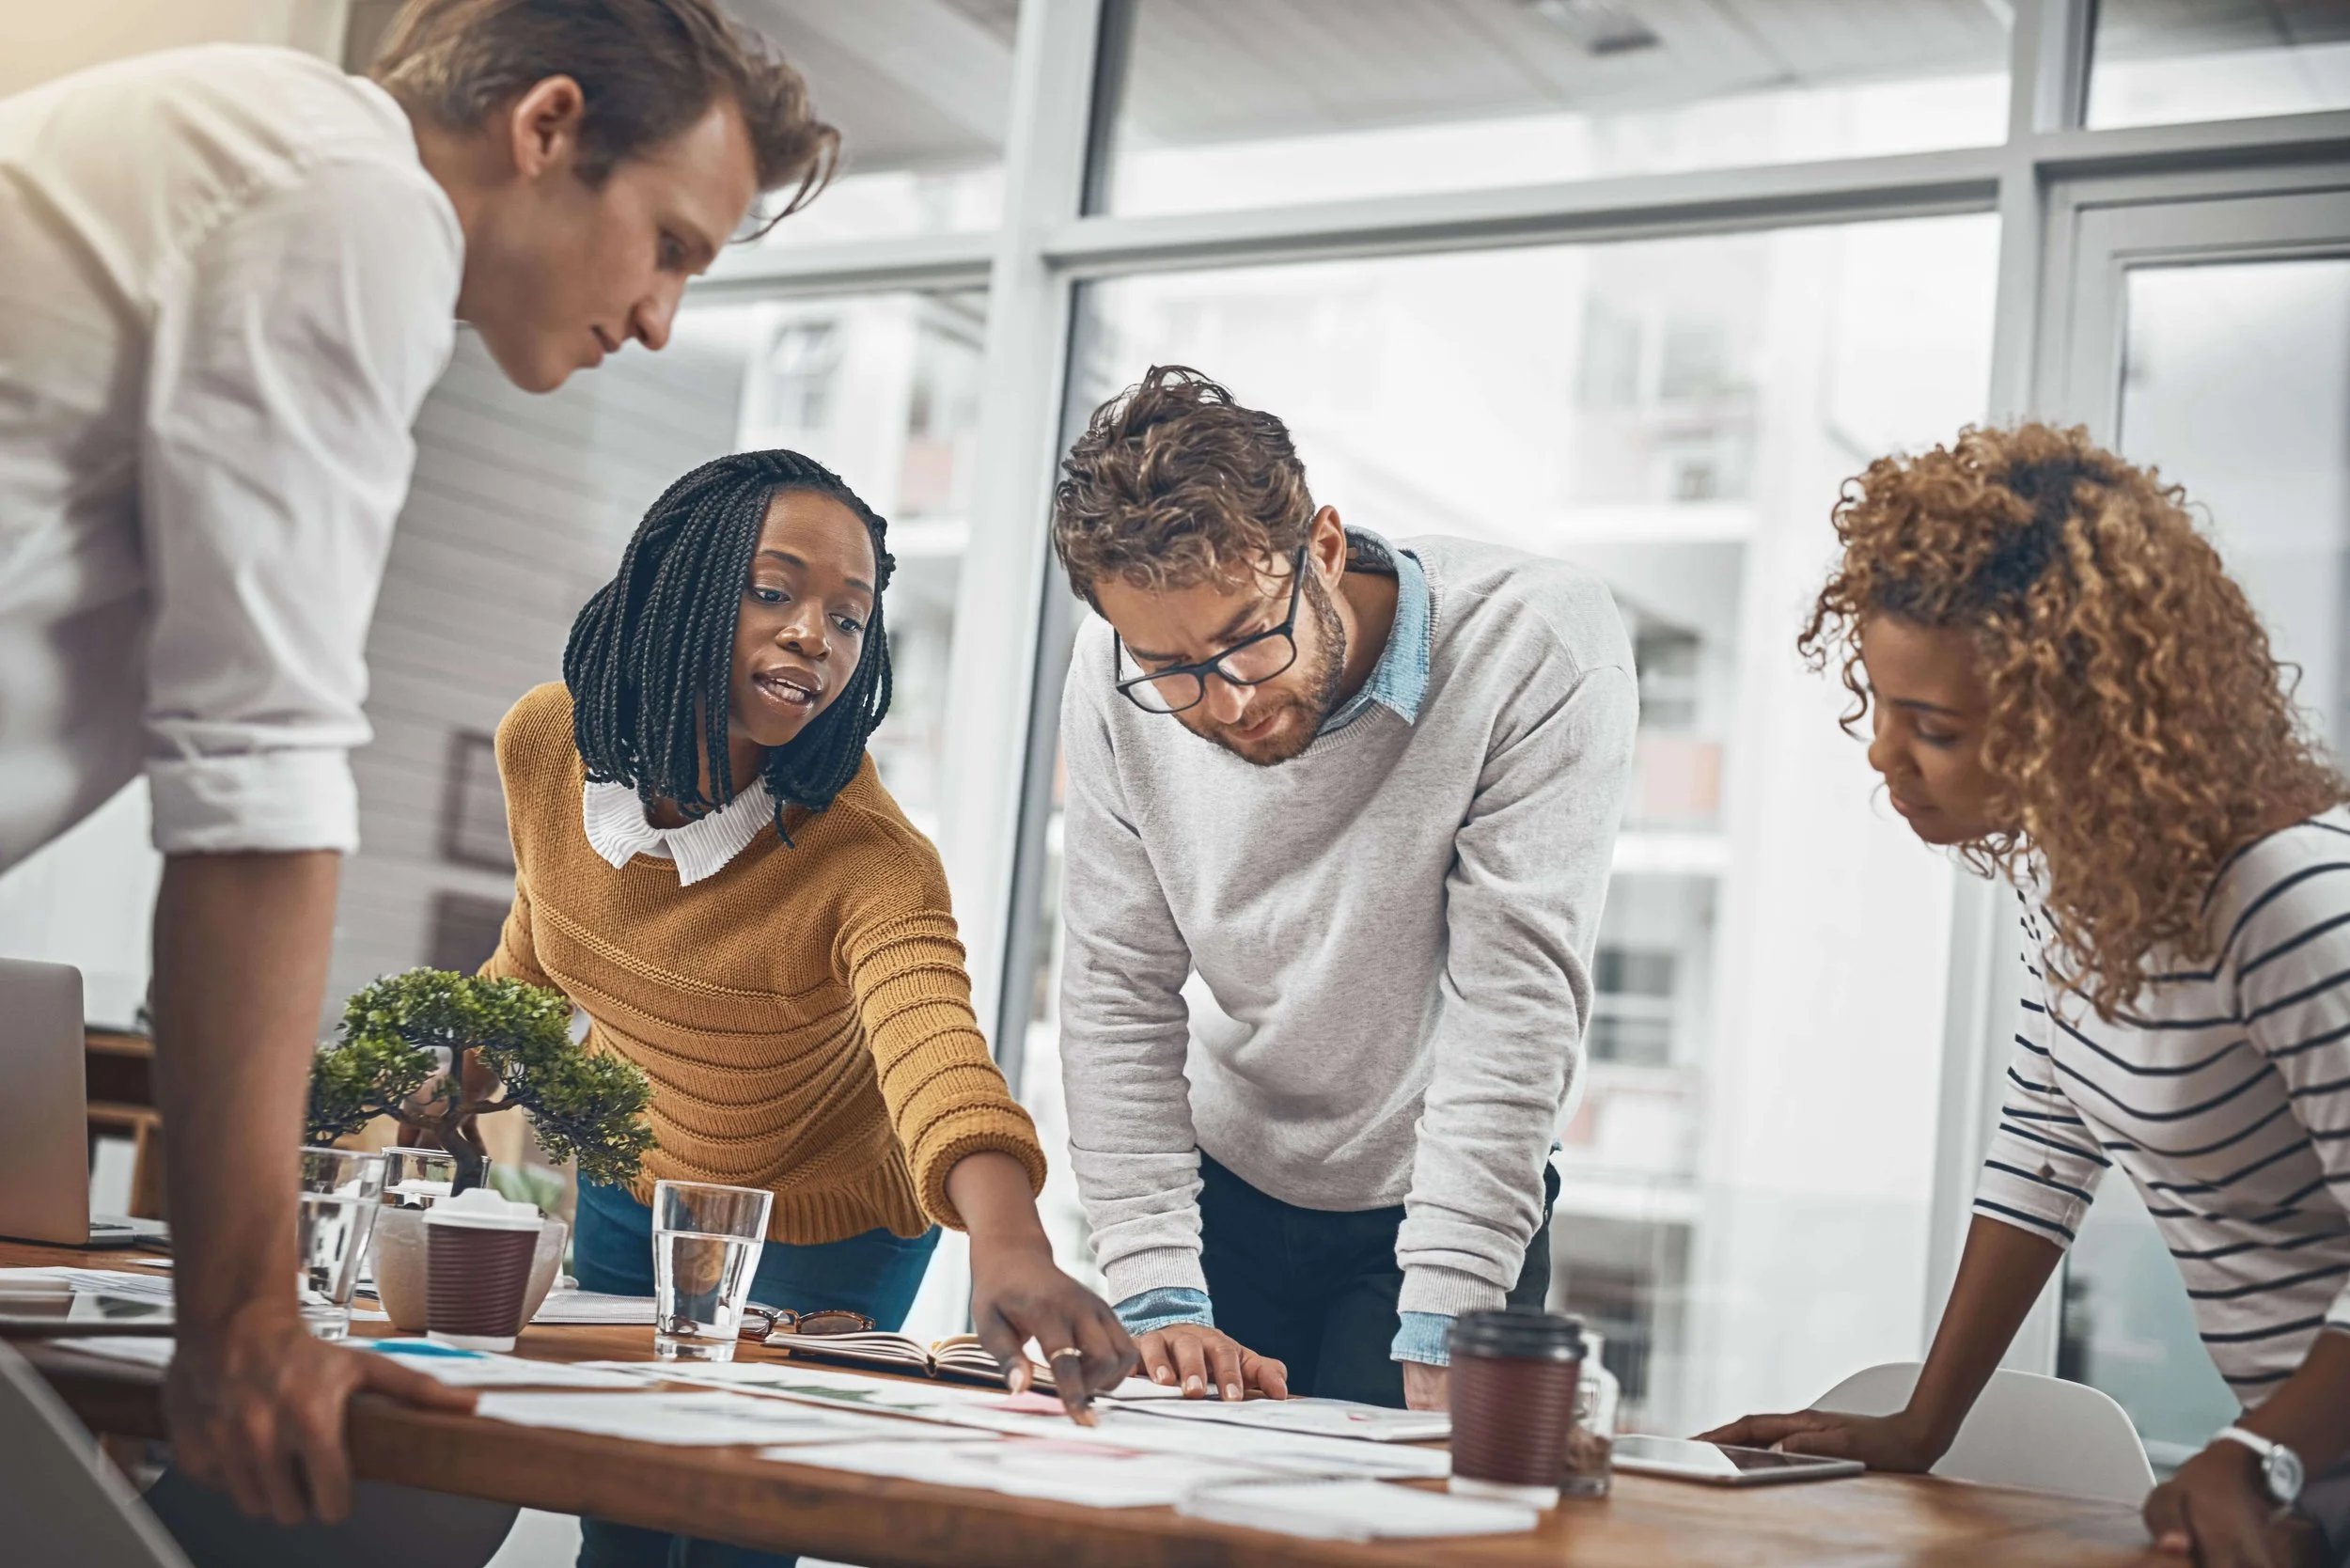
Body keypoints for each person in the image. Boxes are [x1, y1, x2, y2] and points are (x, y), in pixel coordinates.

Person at [0, 0, 837, 1528]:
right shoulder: (353, 203)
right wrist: (246, 1321)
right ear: (547, 131)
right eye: (671, 244)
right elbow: (258, 784)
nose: (660, 318)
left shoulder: (282, 155)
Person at [1700, 425, 2350, 1568]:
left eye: (1935, 728)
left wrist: (2256, 1454)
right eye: (1881, 706)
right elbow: (2045, 1150)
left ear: (2080, 725)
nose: (1881, 756)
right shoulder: (2083, 878)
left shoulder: (2286, 897)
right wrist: (1920, 1425)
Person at [483, 448, 1135, 1567]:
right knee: (624, 1514)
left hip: (828, 1219)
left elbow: (935, 1054)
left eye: (848, 618)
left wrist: (1011, 1242)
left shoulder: (866, 857)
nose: (813, 638)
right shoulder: (544, 743)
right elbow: (541, 943)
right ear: (673, 585)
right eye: (774, 592)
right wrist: (441, 1066)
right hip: (638, 1191)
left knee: (735, 1531)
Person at [1048, 366, 1637, 1411]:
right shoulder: (1110, 673)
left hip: (1442, 1190)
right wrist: (1151, 1292)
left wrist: (1447, 1314)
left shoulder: (1533, 643)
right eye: (1171, 667)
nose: (1223, 702)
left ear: (1321, 546)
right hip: (1218, 1182)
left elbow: (1512, 1009)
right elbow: (1113, 991)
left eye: (1246, 638)